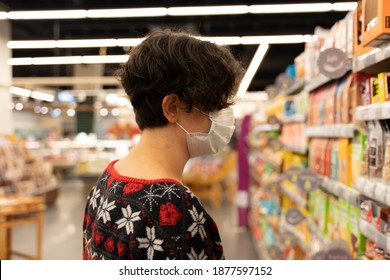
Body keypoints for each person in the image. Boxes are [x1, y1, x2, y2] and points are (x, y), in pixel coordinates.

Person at [82, 29, 244, 260]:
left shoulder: (109, 177)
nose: (223, 119)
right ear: (171, 108)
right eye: (214, 107)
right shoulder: (173, 208)